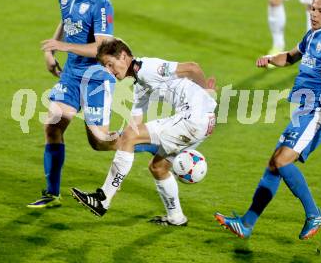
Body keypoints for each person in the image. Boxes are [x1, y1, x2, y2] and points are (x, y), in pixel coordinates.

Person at [215, 0, 321, 240]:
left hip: (318, 112)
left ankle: (314, 213)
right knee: (273, 165)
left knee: (282, 161)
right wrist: (269, 59)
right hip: (303, 112)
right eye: (312, 9)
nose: (314, 14)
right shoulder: (312, 35)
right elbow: (290, 57)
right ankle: (246, 224)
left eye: (320, 11)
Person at [70, 37, 217, 226]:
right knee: (158, 167)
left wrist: (207, 92)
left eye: (110, 64)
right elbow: (134, 125)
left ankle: (103, 199)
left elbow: (192, 68)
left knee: (130, 138)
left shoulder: (148, 68)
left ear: (123, 57)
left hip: (193, 119)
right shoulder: (140, 85)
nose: (109, 71)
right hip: (204, 122)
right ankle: (176, 217)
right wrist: (115, 152)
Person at [28, 0, 119, 209]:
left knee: (99, 141)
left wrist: (61, 45)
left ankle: (140, 142)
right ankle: (52, 193)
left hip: (96, 78)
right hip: (71, 74)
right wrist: (50, 50)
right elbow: (66, 19)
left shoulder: (101, 3)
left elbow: (101, 48)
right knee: (52, 125)